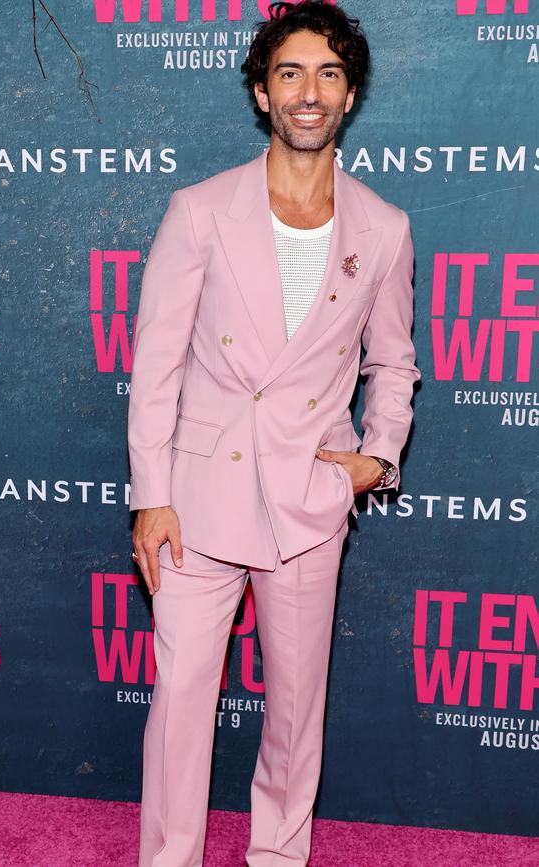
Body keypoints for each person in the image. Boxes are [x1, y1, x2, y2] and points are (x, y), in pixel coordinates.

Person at [127, 1, 421, 864]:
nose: (309, 92)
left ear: (350, 93)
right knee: (181, 702)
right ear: (262, 93)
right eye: (290, 72)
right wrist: (152, 496)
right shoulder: (200, 210)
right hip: (198, 497)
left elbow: (394, 364)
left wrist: (373, 459)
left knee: (295, 712)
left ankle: (279, 857)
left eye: (328, 73)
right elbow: (157, 367)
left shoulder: (385, 226)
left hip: (306, 499)